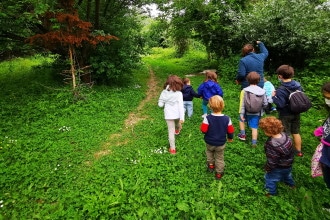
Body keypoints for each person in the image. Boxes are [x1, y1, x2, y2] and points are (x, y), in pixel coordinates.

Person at [272, 65, 304, 157]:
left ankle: (286, 151)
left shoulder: (281, 89)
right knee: (296, 132)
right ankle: (298, 151)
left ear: (280, 76)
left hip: (285, 114)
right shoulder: (298, 85)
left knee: (285, 133)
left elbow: (281, 104)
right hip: (296, 111)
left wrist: (274, 97)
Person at [200, 95, 235, 180]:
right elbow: (230, 131)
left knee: (209, 152)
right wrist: (230, 138)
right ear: (222, 105)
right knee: (219, 157)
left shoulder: (207, 118)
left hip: (209, 141)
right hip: (221, 142)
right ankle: (219, 173)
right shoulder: (227, 118)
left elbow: (203, 130)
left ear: (210, 106)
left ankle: (211, 165)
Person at [259, 116, 295, 196]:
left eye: (264, 130)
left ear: (268, 132)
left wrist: (268, 168)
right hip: (288, 164)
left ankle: (271, 193)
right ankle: (291, 185)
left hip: (278, 167)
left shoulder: (272, 145)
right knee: (287, 175)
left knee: (270, 179)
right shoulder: (285, 136)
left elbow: (272, 160)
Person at [237, 72, 268, 147]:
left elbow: (242, 104)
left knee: (241, 121)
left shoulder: (244, 91)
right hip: (257, 113)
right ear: (259, 80)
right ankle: (254, 143)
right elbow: (265, 103)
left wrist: (241, 113)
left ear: (247, 80)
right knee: (254, 127)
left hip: (246, 111)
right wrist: (261, 110)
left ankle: (243, 134)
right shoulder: (262, 91)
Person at [158, 75, 185, 154]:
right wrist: (182, 117)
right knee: (177, 124)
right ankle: (177, 129)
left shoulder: (164, 92)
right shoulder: (179, 93)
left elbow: (160, 105)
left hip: (168, 115)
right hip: (177, 114)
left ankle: (172, 149)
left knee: (170, 131)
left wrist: (163, 100)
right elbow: (181, 106)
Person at [313, 81, 330, 189]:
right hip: (326, 150)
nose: (327, 101)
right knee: (328, 178)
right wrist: (323, 129)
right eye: (326, 97)